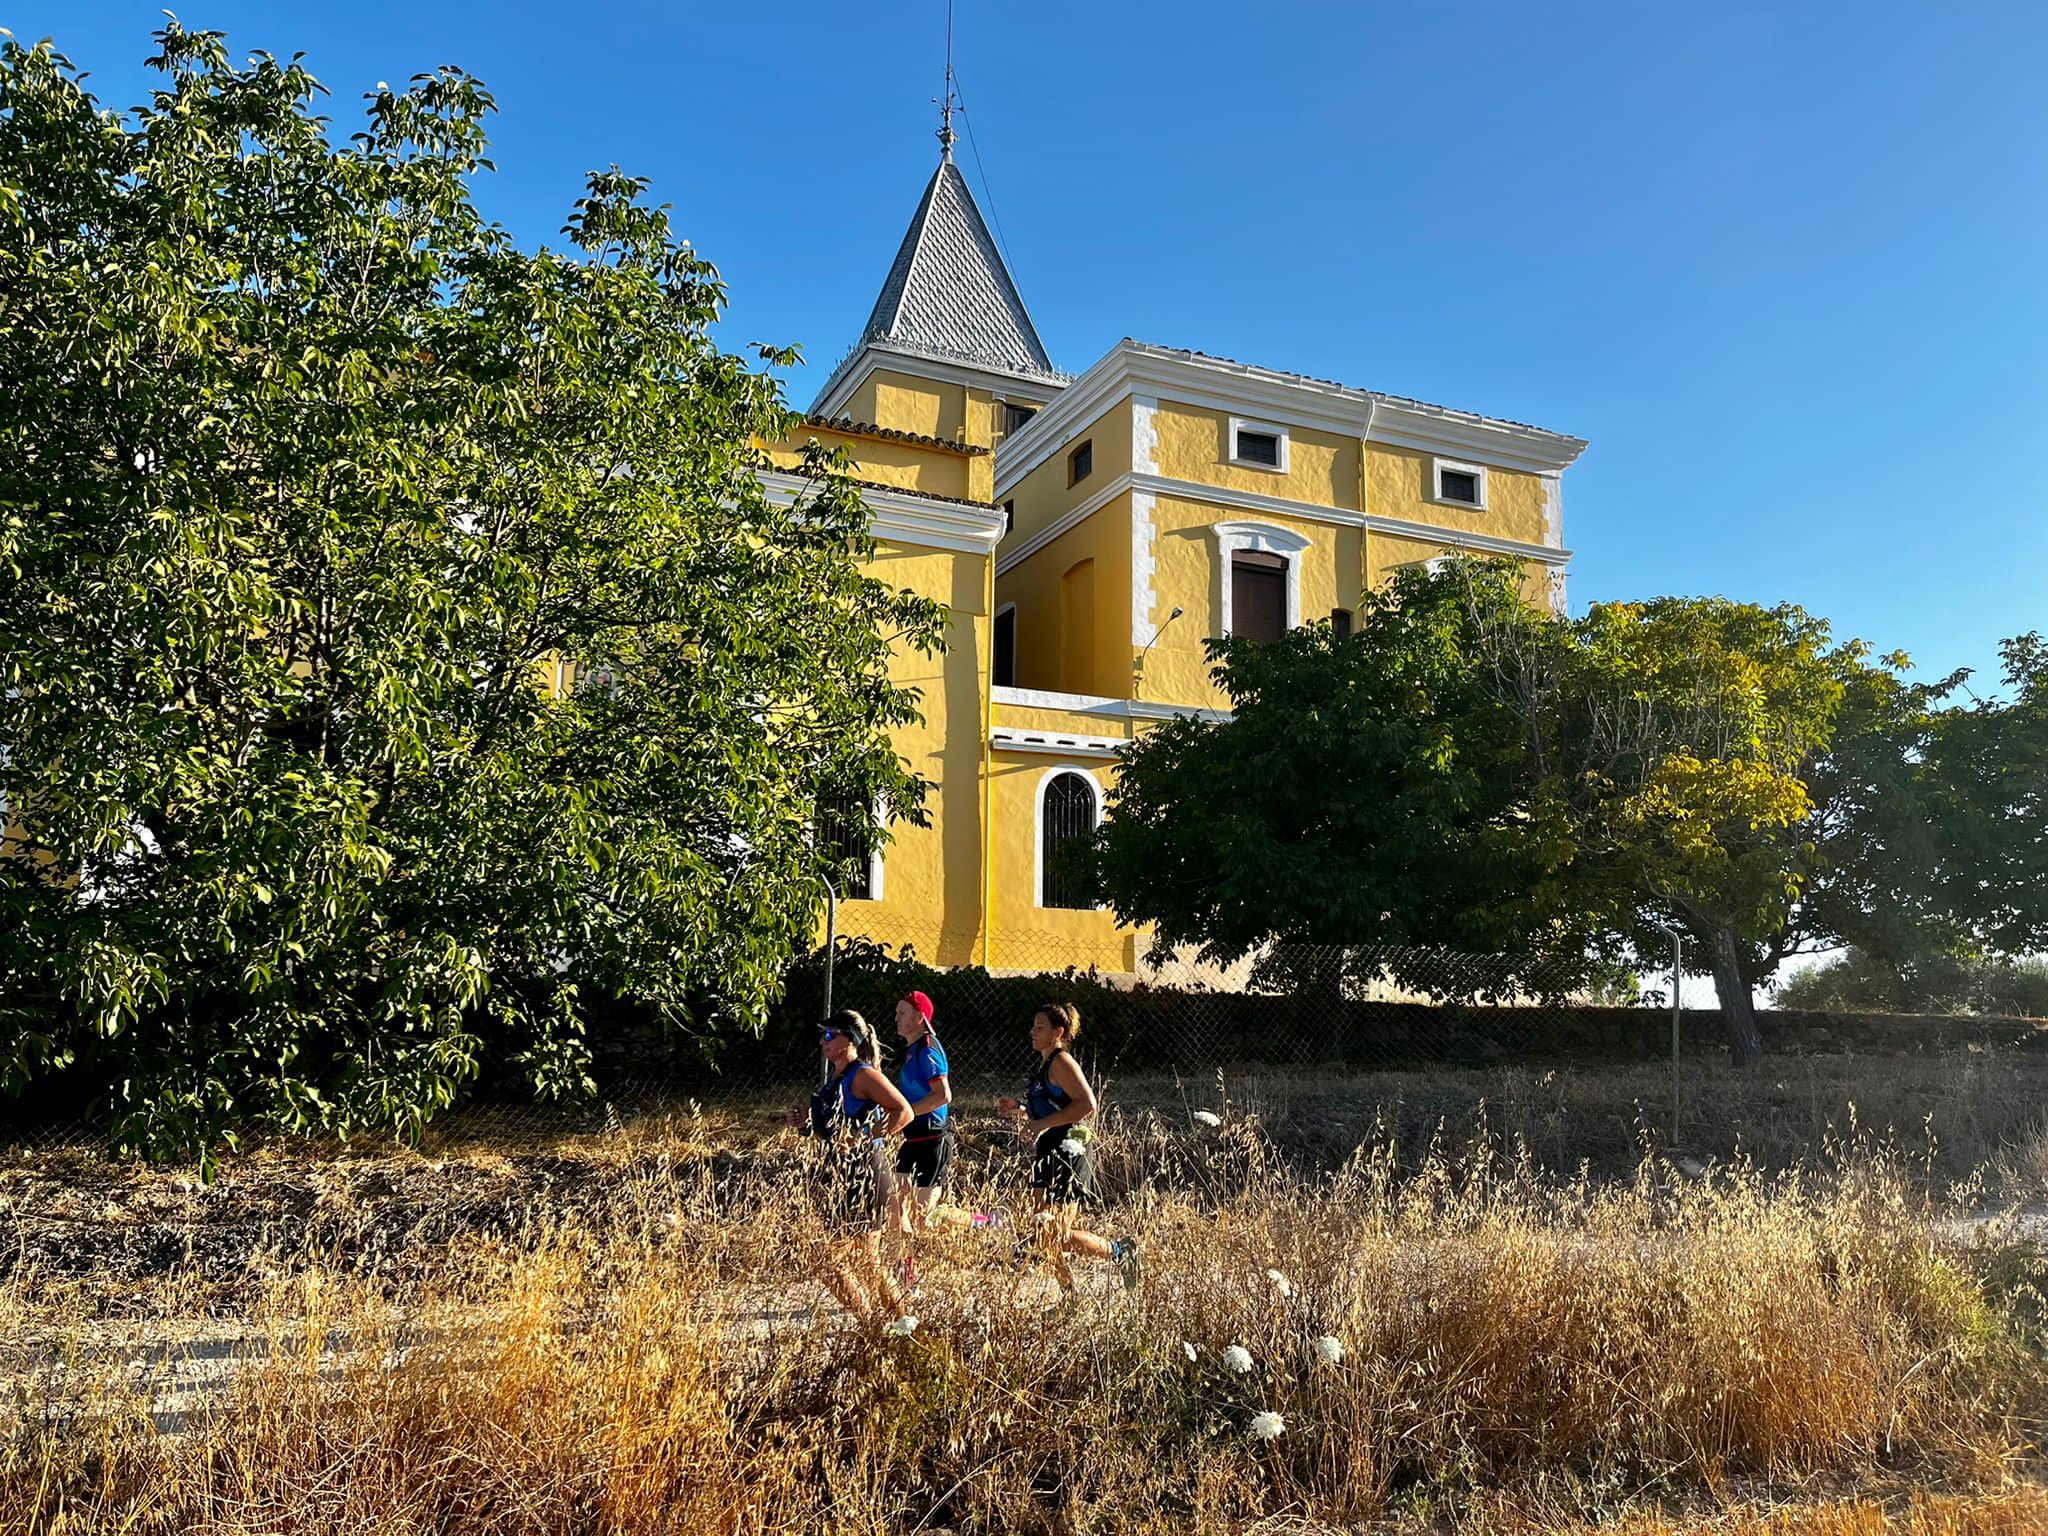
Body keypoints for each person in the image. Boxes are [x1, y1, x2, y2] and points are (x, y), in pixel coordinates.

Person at [995, 1001, 1139, 1294]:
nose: (1032, 1032)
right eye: (1033, 1025)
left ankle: (1120, 1251)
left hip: (1068, 1150)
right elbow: (1053, 1107)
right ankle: (1069, 1296)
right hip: (1047, 1150)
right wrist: (1021, 1110)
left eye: (1040, 1027)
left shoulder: (1062, 1062)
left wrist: (1041, 1124)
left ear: (1058, 1032)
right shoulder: (1046, 1064)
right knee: (1041, 1229)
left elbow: (1087, 1105)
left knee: (1056, 1233)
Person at [783, 1009, 913, 1323]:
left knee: (838, 1260)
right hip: (839, 1176)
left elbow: (903, 1112)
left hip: (863, 1173)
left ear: (849, 1040)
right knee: (862, 1261)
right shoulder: (837, 1079)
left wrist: (866, 1137)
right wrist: (805, 1125)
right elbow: (830, 1130)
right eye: (823, 1035)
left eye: (830, 1035)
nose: (823, 1041)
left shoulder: (863, 1074)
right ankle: (890, 1326)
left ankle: (883, 1325)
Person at [888, 990, 955, 1288]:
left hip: (932, 1141)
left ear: (919, 1017)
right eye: (897, 1012)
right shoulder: (912, 1051)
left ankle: (985, 1221)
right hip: (912, 1141)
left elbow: (942, 1095)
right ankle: (906, 1277)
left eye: (902, 1013)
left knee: (924, 1219)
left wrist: (906, 1113)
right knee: (894, 1209)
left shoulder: (928, 1049)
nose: (896, 1018)